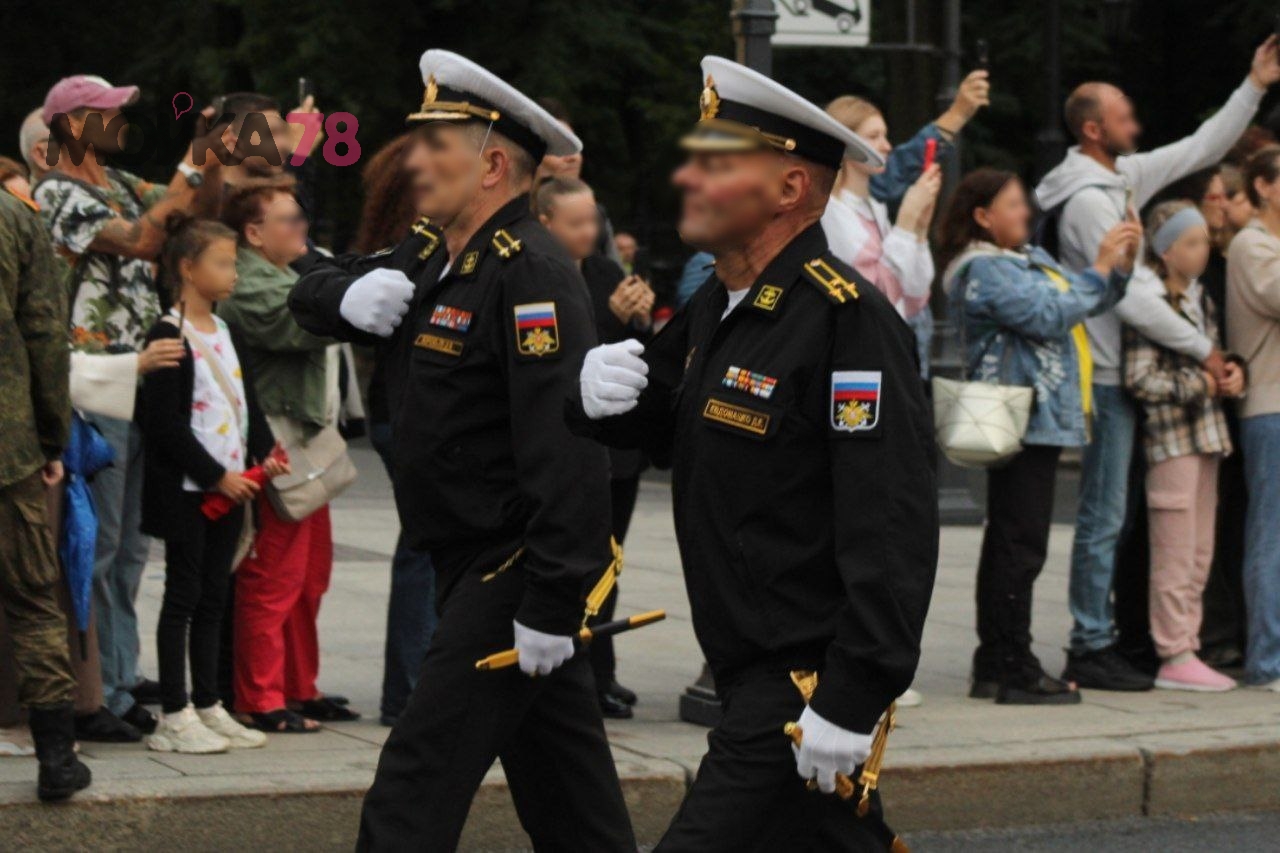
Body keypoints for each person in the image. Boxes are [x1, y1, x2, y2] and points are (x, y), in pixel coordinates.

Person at [573, 56, 937, 850]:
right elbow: (655, 420)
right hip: (745, 669)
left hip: (800, 683)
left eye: (717, 164)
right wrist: (593, 389)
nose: (689, 178)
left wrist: (853, 693)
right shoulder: (720, 303)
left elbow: (891, 523)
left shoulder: (847, 320)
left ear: (789, 189)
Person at [288, 51, 635, 850]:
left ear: (492, 166)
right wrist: (344, 293)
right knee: (570, 795)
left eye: (434, 146)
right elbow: (307, 286)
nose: (413, 162)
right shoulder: (430, 250)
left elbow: (566, 446)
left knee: (414, 783)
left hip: (507, 570)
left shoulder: (531, 271)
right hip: (460, 557)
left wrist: (552, 601)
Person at [1034, 37, 1280, 691]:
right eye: (1123, 117)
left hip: (1120, 375)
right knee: (1104, 518)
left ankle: (1116, 639)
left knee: (1126, 520)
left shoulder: (1117, 180)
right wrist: (1207, 351)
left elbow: (1200, 147)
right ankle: (1091, 643)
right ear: (1093, 129)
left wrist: (1255, 84)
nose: (1136, 126)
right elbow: (1135, 297)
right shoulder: (1089, 199)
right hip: (1103, 375)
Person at [34, 74, 225, 733]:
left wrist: (210, 155)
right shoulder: (56, 192)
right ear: (73, 124)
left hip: (143, 383)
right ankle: (94, 694)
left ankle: (118, 675)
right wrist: (192, 161)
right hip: (97, 386)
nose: (120, 120)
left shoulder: (117, 181)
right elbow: (144, 237)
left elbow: (193, 216)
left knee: (134, 546)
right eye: (108, 111)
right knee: (102, 544)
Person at [936, 169, 1138, 704]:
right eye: (1013, 204)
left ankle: (995, 662)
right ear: (983, 216)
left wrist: (1119, 266)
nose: (1026, 212)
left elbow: (1082, 300)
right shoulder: (983, 268)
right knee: (1019, 544)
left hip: (1037, 417)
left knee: (1014, 539)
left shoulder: (1021, 260)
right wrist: (1098, 267)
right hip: (1019, 417)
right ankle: (1012, 666)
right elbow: (1048, 314)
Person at [138, 217, 284, 751]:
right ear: (187, 268)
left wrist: (265, 455)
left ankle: (207, 703)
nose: (233, 274)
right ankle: (174, 715)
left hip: (232, 488)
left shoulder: (227, 330)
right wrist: (216, 477)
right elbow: (163, 424)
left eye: (233, 263)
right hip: (190, 491)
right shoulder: (167, 334)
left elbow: (248, 405)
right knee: (183, 595)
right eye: (222, 263)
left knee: (215, 596)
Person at [217, 184, 356, 731]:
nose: (302, 228)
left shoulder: (284, 273)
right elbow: (301, 325)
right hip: (277, 444)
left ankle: (298, 686)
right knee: (273, 576)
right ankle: (261, 697)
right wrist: (360, 302)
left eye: (302, 217)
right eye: (289, 219)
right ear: (254, 233)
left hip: (303, 442)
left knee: (307, 576)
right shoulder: (250, 282)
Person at [535, 176, 652, 719]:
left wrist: (641, 316)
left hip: (617, 445)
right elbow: (560, 357)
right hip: (567, 442)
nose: (588, 232)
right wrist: (611, 317)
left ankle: (600, 670)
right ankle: (575, 675)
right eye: (575, 222)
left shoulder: (605, 271)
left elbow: (635, 353)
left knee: (608, 562)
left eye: (593, 222)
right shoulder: (537, 275)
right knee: (572, 564)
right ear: (545, 223)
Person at [1124, 201, 1244, 692]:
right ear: (1166, 251)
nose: (1203, 250)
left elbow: (1214, 361)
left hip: (1207, 438)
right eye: (1191, 243)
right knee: (1174, 553)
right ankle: (1174, 651)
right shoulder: (1150, 303)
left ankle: (1187, 646)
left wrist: (1231, 375)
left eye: (1203, 241)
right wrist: (1203, 385)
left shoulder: (1199, 299)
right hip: (1172, 441)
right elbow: (1140, 378)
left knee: (1199, 552)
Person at [0, 184, 91, 801]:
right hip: (8, 447)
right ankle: (56, 757)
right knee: (33, 599)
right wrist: (52, 437)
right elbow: (45, 334)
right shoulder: (16, 219)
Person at [350, 133, 439, 728]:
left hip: (400, 409)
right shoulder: (418, 248)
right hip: (413, 412)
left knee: (423, 546)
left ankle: (410, 689)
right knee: (426, 548)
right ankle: (410, 692)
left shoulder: (394, 244)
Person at [1226, 145, 1280, 691]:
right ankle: (1268, 661)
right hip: (1270, 406)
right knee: (1271, 535)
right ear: (1262, 187)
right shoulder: (1252, 244)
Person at [536, 96, 623, 264]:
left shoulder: (599, 215)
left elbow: (616, 272)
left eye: (574, 145)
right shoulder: (511, 218)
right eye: (558, 148)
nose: (573, 157)